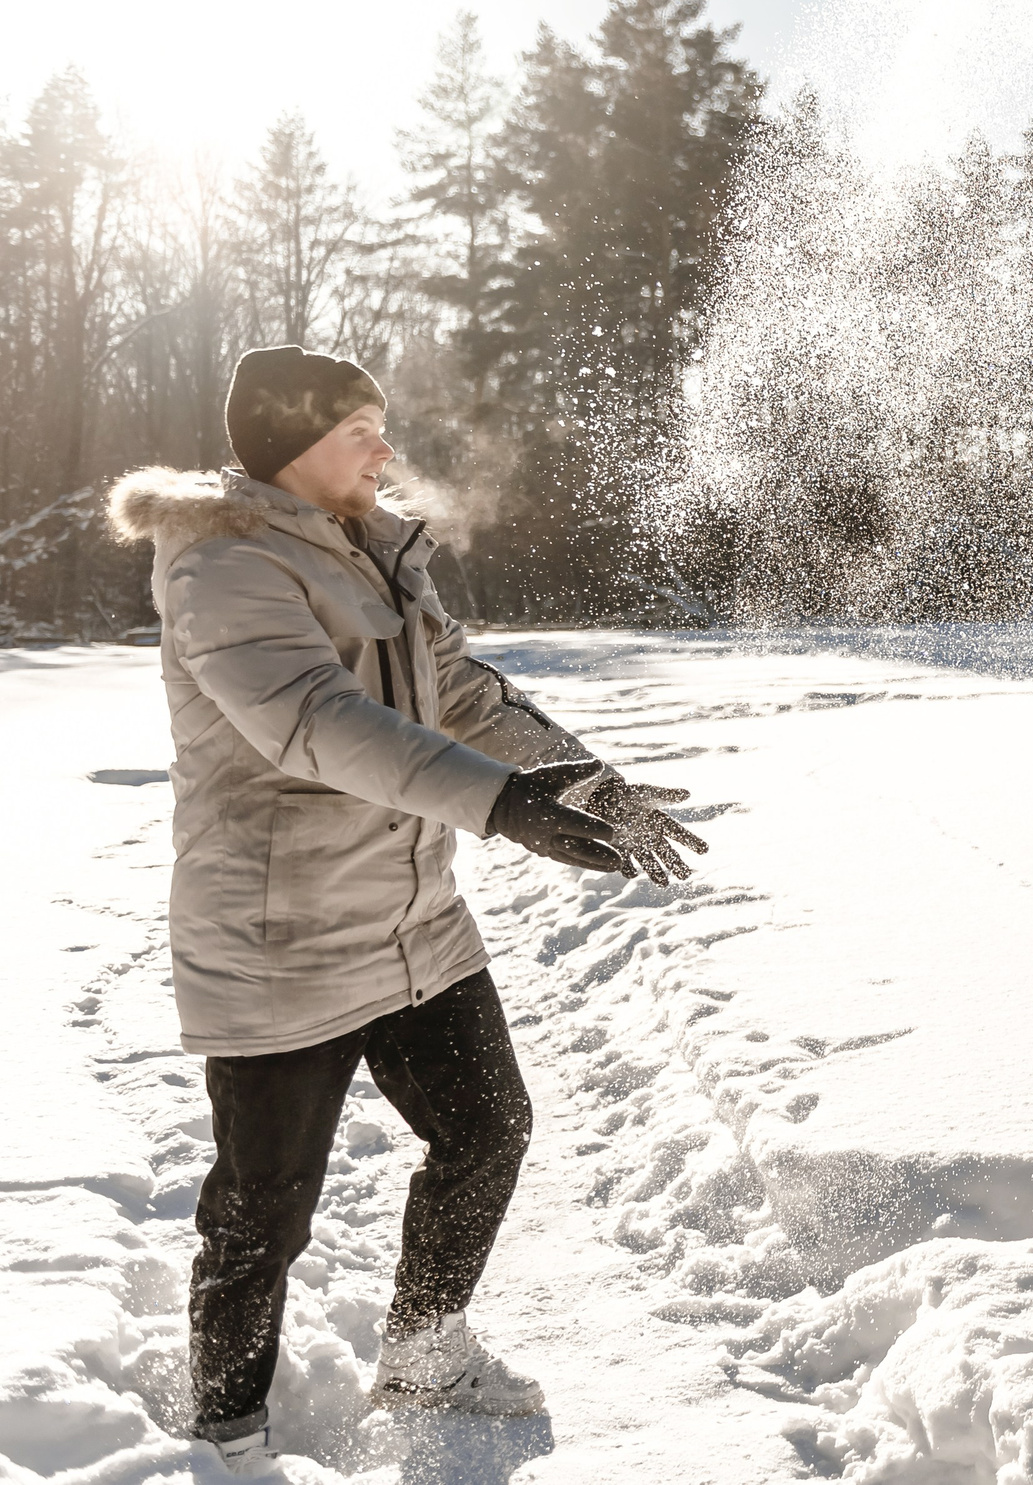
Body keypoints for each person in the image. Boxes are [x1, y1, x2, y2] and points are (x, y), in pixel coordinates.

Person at [107, 347, 710, 1477]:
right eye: (360, 430)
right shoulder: (222, 566)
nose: (386, 447)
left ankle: (426, 1349)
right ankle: (229, 1435)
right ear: (293, 451)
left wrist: (574, 777)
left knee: (487, 1130)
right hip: (280, 940)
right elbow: (316, 722)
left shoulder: (375, 546)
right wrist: (498, 804)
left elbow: (463, 692)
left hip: (414, 921)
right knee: (261, 1214)